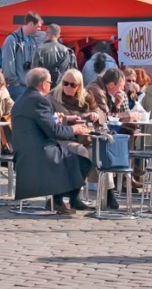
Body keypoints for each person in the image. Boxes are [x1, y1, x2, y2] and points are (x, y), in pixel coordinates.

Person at [11, 67, 93, 214]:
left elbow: (42, 122)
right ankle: (59, 199)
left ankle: (64, 199)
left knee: (76, 155)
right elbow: (54, 131)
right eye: (49, 82)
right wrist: (74, 130)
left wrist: (65, 119)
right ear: (43, 84)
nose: (50, 85)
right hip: (38, 151)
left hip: (24, 150)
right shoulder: (40, 100)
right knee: (82, 160)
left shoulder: (22, 98)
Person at [49, 68, 118, 210]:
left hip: (84, 138)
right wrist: (67, 120)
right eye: (65, 83)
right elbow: (49, 120)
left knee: (102, 153)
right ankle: (73, 196)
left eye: (72, 85)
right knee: (82, 152)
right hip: (62, 138)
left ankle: (109, 193)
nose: (68, 87)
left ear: (79, 86)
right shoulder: (52, 98)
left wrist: (95, 115)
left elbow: (102, 115)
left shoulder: (86, 97)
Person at [1, 11, 43, 100]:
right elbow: (8, 63)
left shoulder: (32, 41)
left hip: (28, 86)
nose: (39, 29)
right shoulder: (12, 40)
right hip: (17, 87)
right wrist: (14, 82)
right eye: (38, 26)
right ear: (31, 24)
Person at [31, 24, 76, 89]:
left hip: (44, 88)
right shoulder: (67, 51)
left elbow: (34, 74)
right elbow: (73, 72)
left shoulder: (39, 50)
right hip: (61, 88)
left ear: (47, 33)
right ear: (59, 35)